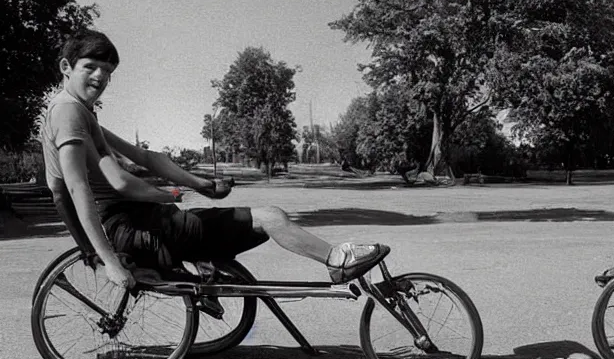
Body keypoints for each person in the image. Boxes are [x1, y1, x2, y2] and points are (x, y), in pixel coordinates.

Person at [40, 29, 384, 307]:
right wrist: (108, 260)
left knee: (213, 219)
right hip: (131, 226)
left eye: (108, 71)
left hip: (133, 221)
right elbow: (76, 189)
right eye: (90, 67)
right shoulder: (68, 113)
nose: (100, 77)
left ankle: (205, 271)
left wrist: (199, 183)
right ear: (66, 67)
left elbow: (145, 158)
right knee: (270, 216)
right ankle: (337, 260)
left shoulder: (78, 112)